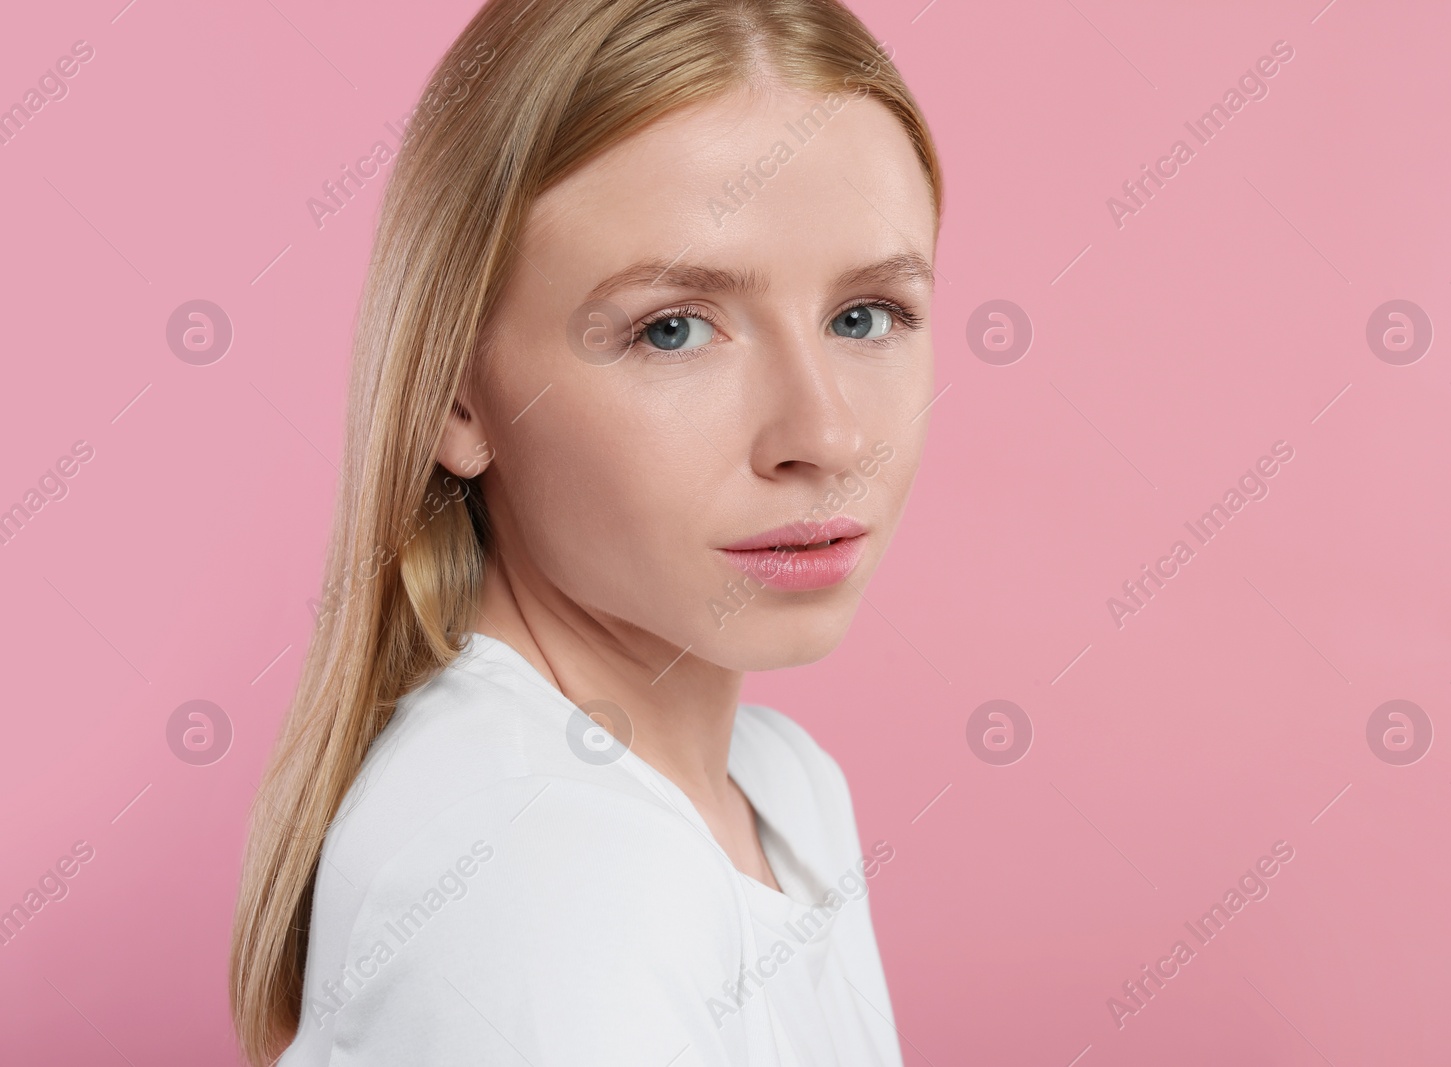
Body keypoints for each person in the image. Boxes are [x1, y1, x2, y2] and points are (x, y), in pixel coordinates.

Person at [229, 0, 943, 1062]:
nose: (826, 434)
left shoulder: (780, 785)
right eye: (673, 328)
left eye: (864, 315)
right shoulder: (546, 865)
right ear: (456, 395)